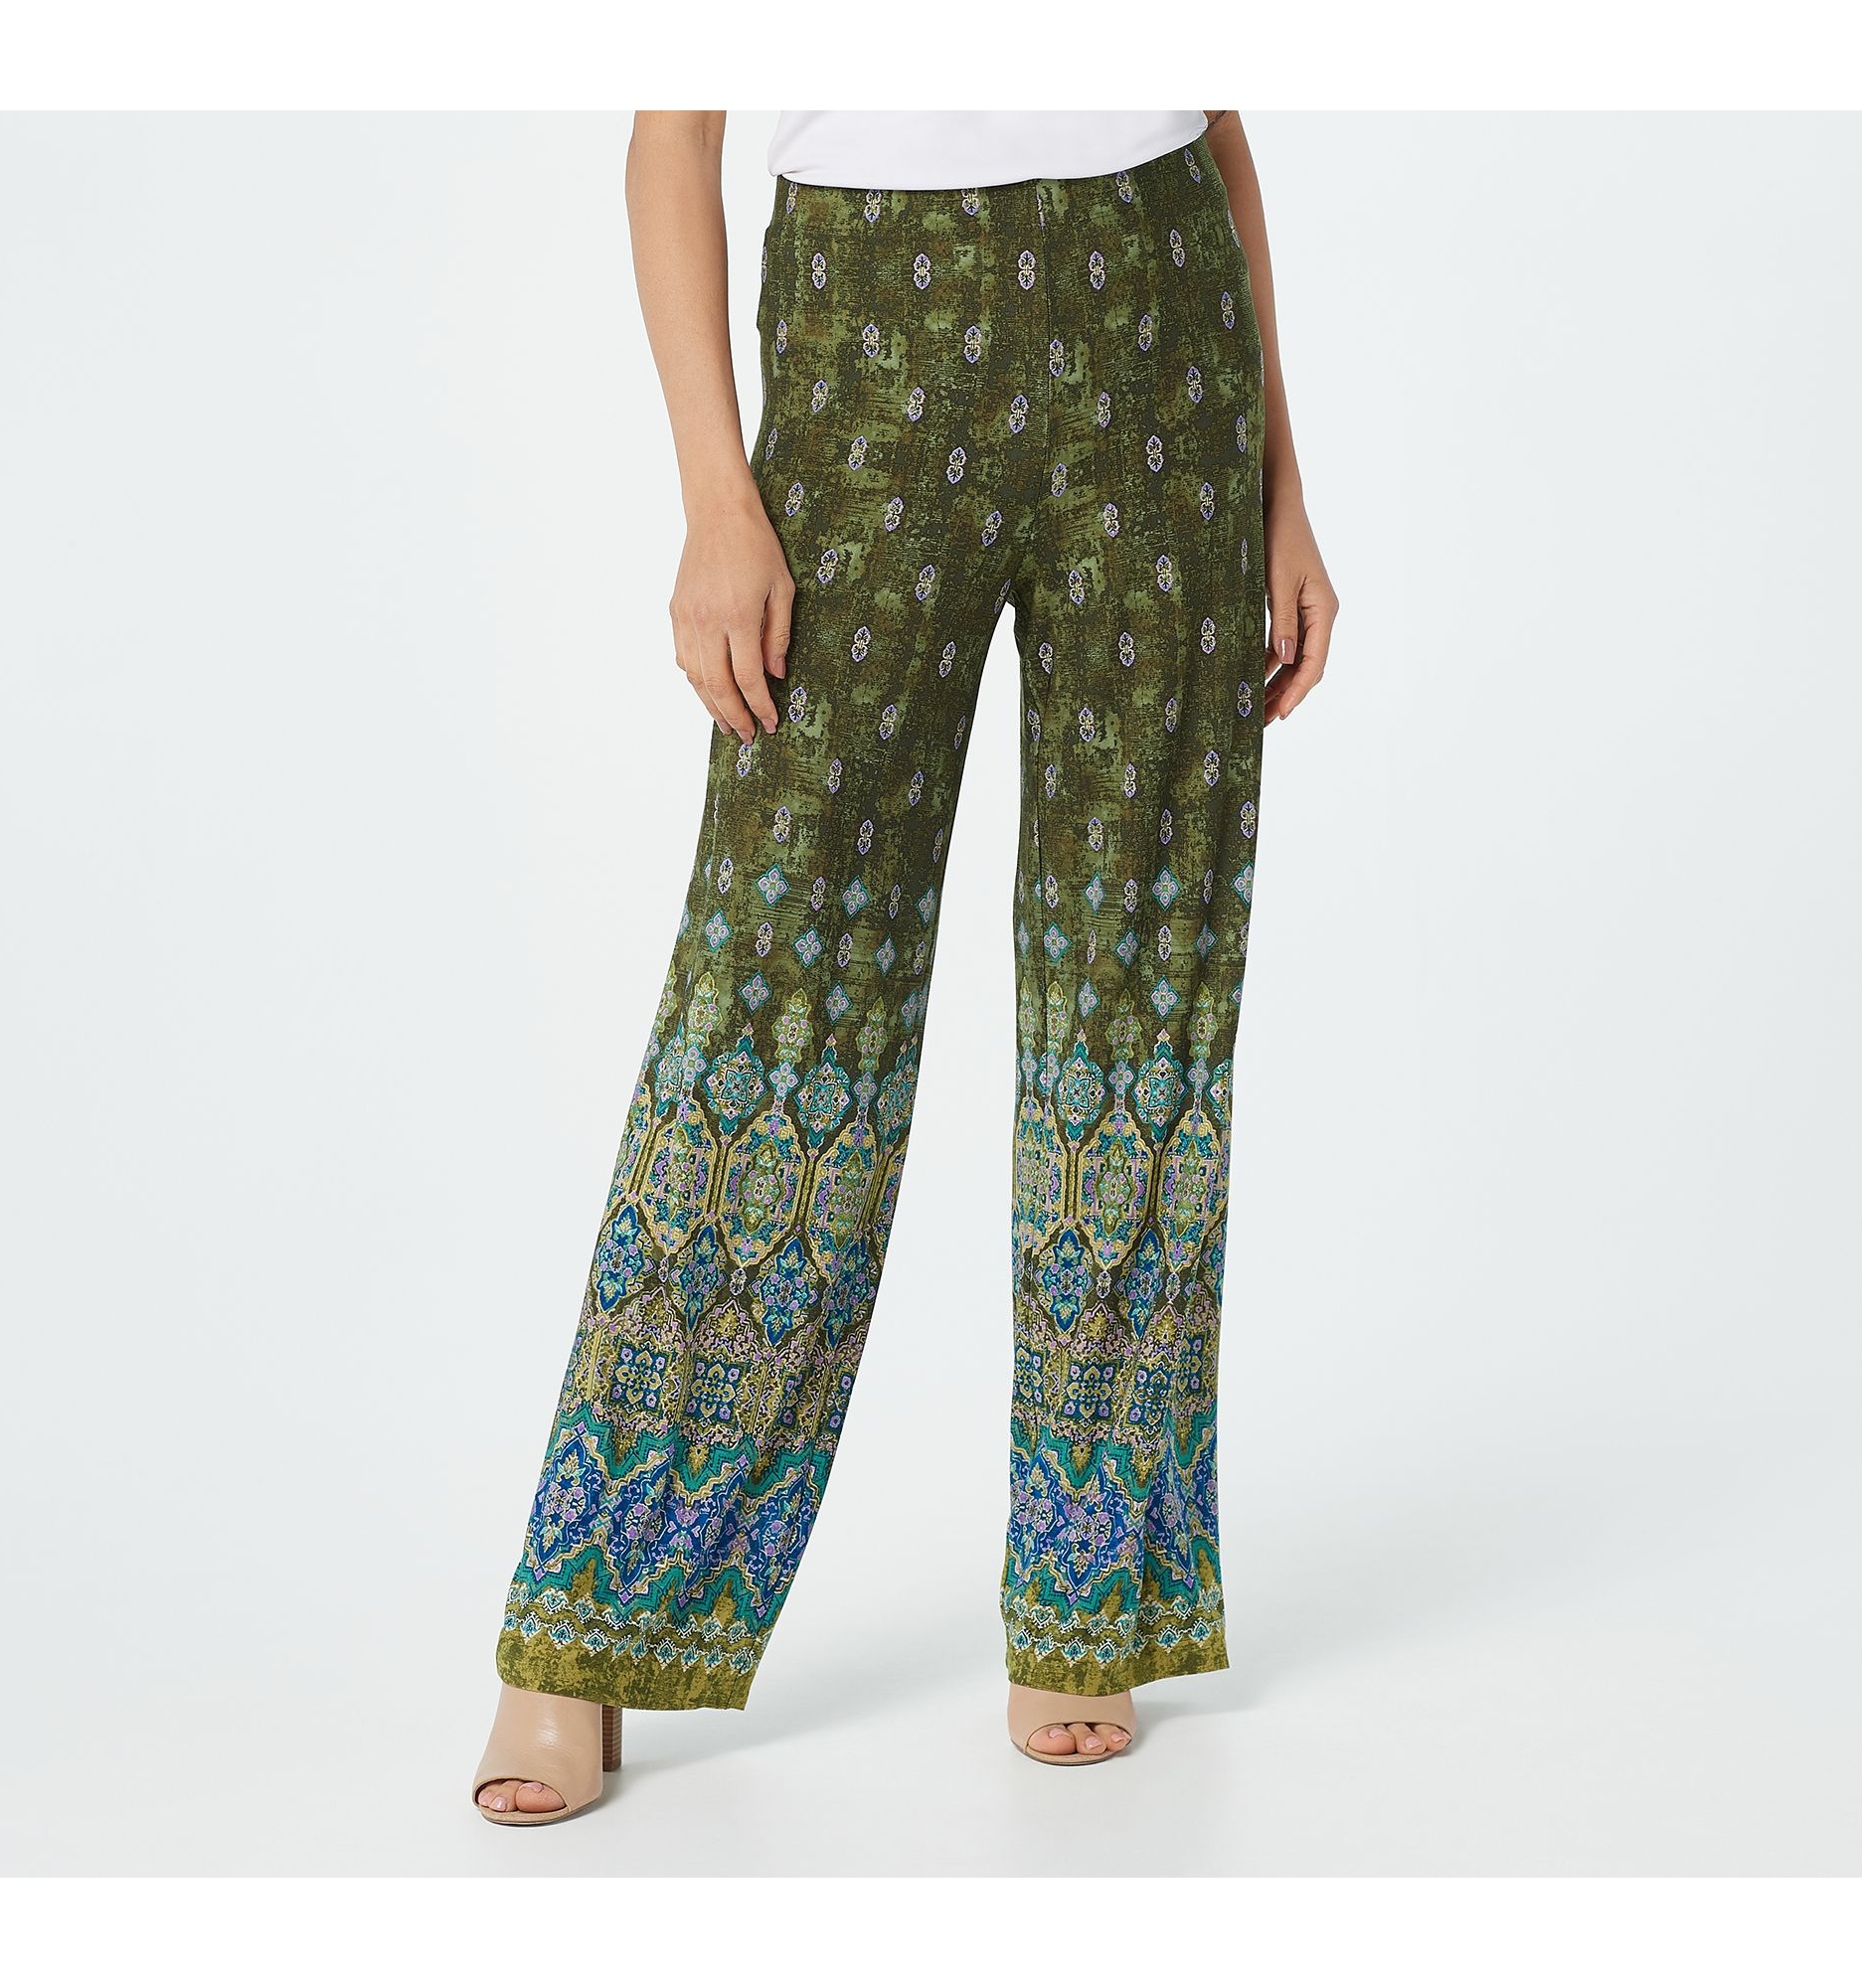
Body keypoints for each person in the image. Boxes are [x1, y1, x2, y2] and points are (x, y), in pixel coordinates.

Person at [472, 108, 1337, 1823]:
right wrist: (717, 496)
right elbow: (670, 143)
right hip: (871, 342)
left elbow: (1220, 122)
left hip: (1163, 338)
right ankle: (582, 1633)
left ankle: (1091, 1593)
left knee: (1139, 1000)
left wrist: (1282, 487)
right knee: (776, 1005)